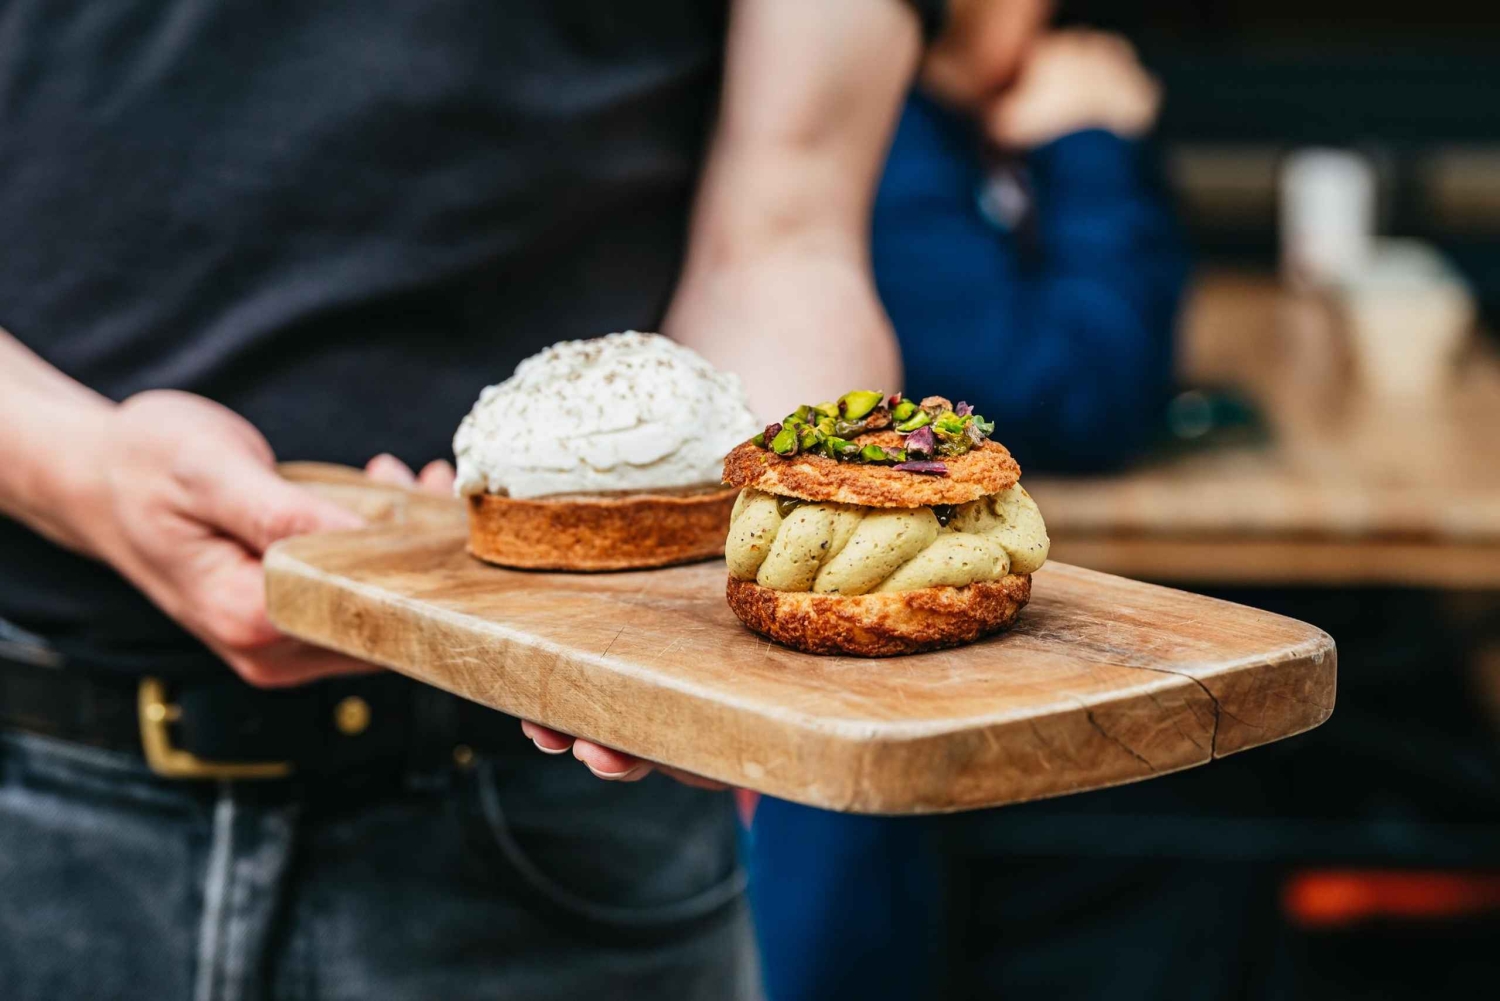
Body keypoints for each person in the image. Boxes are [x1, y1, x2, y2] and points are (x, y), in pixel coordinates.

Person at [0, 2, 944, 997]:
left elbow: (785, 239)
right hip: (38, 772)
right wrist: (80, 467)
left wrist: (732, 607)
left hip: (556, 809)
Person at [743, 2, 1190, 998]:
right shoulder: (876, 137)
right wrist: (1091, 147)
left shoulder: (958, 124)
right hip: (839, 706)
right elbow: (1074, 390)